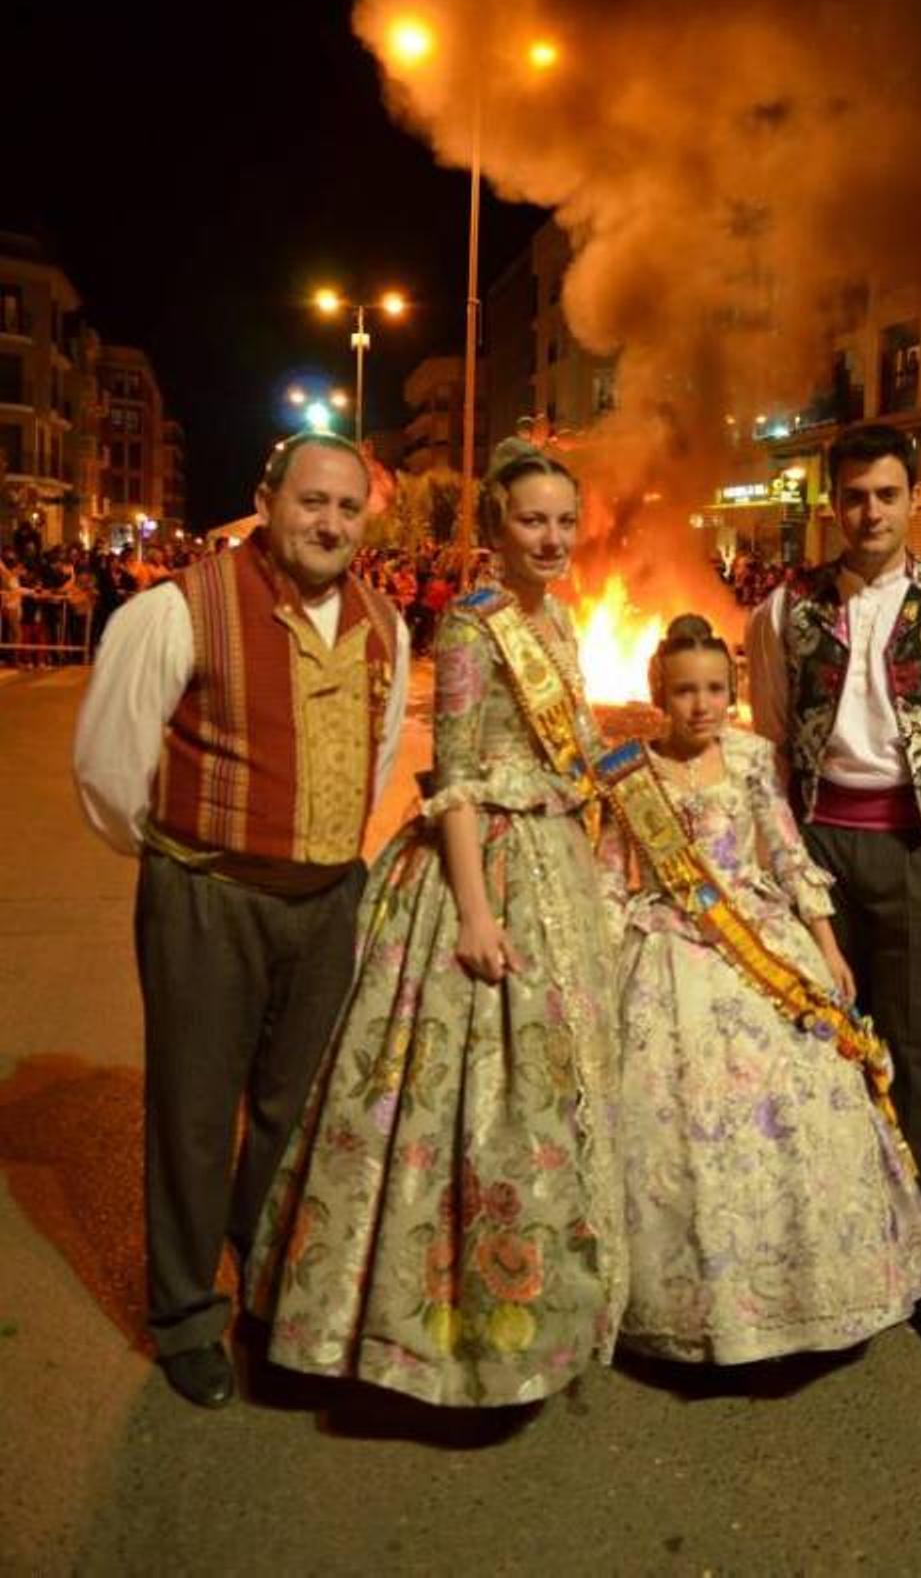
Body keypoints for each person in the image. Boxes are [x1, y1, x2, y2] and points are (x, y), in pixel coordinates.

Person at [246, 437, 627, 1410]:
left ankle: (551, 1304)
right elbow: (453, 773)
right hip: (484, 870)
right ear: (495, 528)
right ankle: (431, 1331)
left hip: (555, 864)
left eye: (562, 521)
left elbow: (576, 752)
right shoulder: (470, 628)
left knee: (550, 1095)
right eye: (530, 520)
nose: (550, 537)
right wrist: (471, 908)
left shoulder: (564, 620)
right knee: (458, 1101)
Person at [74, 431, 409, 1408]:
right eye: (313, 501)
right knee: (191, 1106)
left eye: (348, 508)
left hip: (326, 899)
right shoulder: (179, 609)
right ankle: (185, 1313)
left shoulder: (383, 622)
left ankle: (267, 1282)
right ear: (267, 498)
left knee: (295, 1110)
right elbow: (108, 769)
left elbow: (379, 756)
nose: (330, 523)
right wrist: (192, 856)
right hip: (208, 897)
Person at [597, 615, 921, 1364]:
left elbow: (787, 854)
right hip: (666, 945)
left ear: (732, 691)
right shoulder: (630, 770)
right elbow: (607, 869)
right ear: (659, 689)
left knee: (798, 1100)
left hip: (760, 937)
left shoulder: (753, 759)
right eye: (686, 690)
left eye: (716, 689)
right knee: (679, 1112)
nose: (701, 705)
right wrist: (596, 952)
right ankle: (690, 1304)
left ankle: (807, 1289)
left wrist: (824, 946)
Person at [747, 423, 921, 1348]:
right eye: (855, 495)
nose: (870, 512)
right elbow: (777, 733)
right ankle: (843, 1256)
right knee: (825, 1053)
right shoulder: (785, 607)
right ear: (833, 503)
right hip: (819, 848)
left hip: (920, 847)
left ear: (913, 500)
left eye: (887, 495)